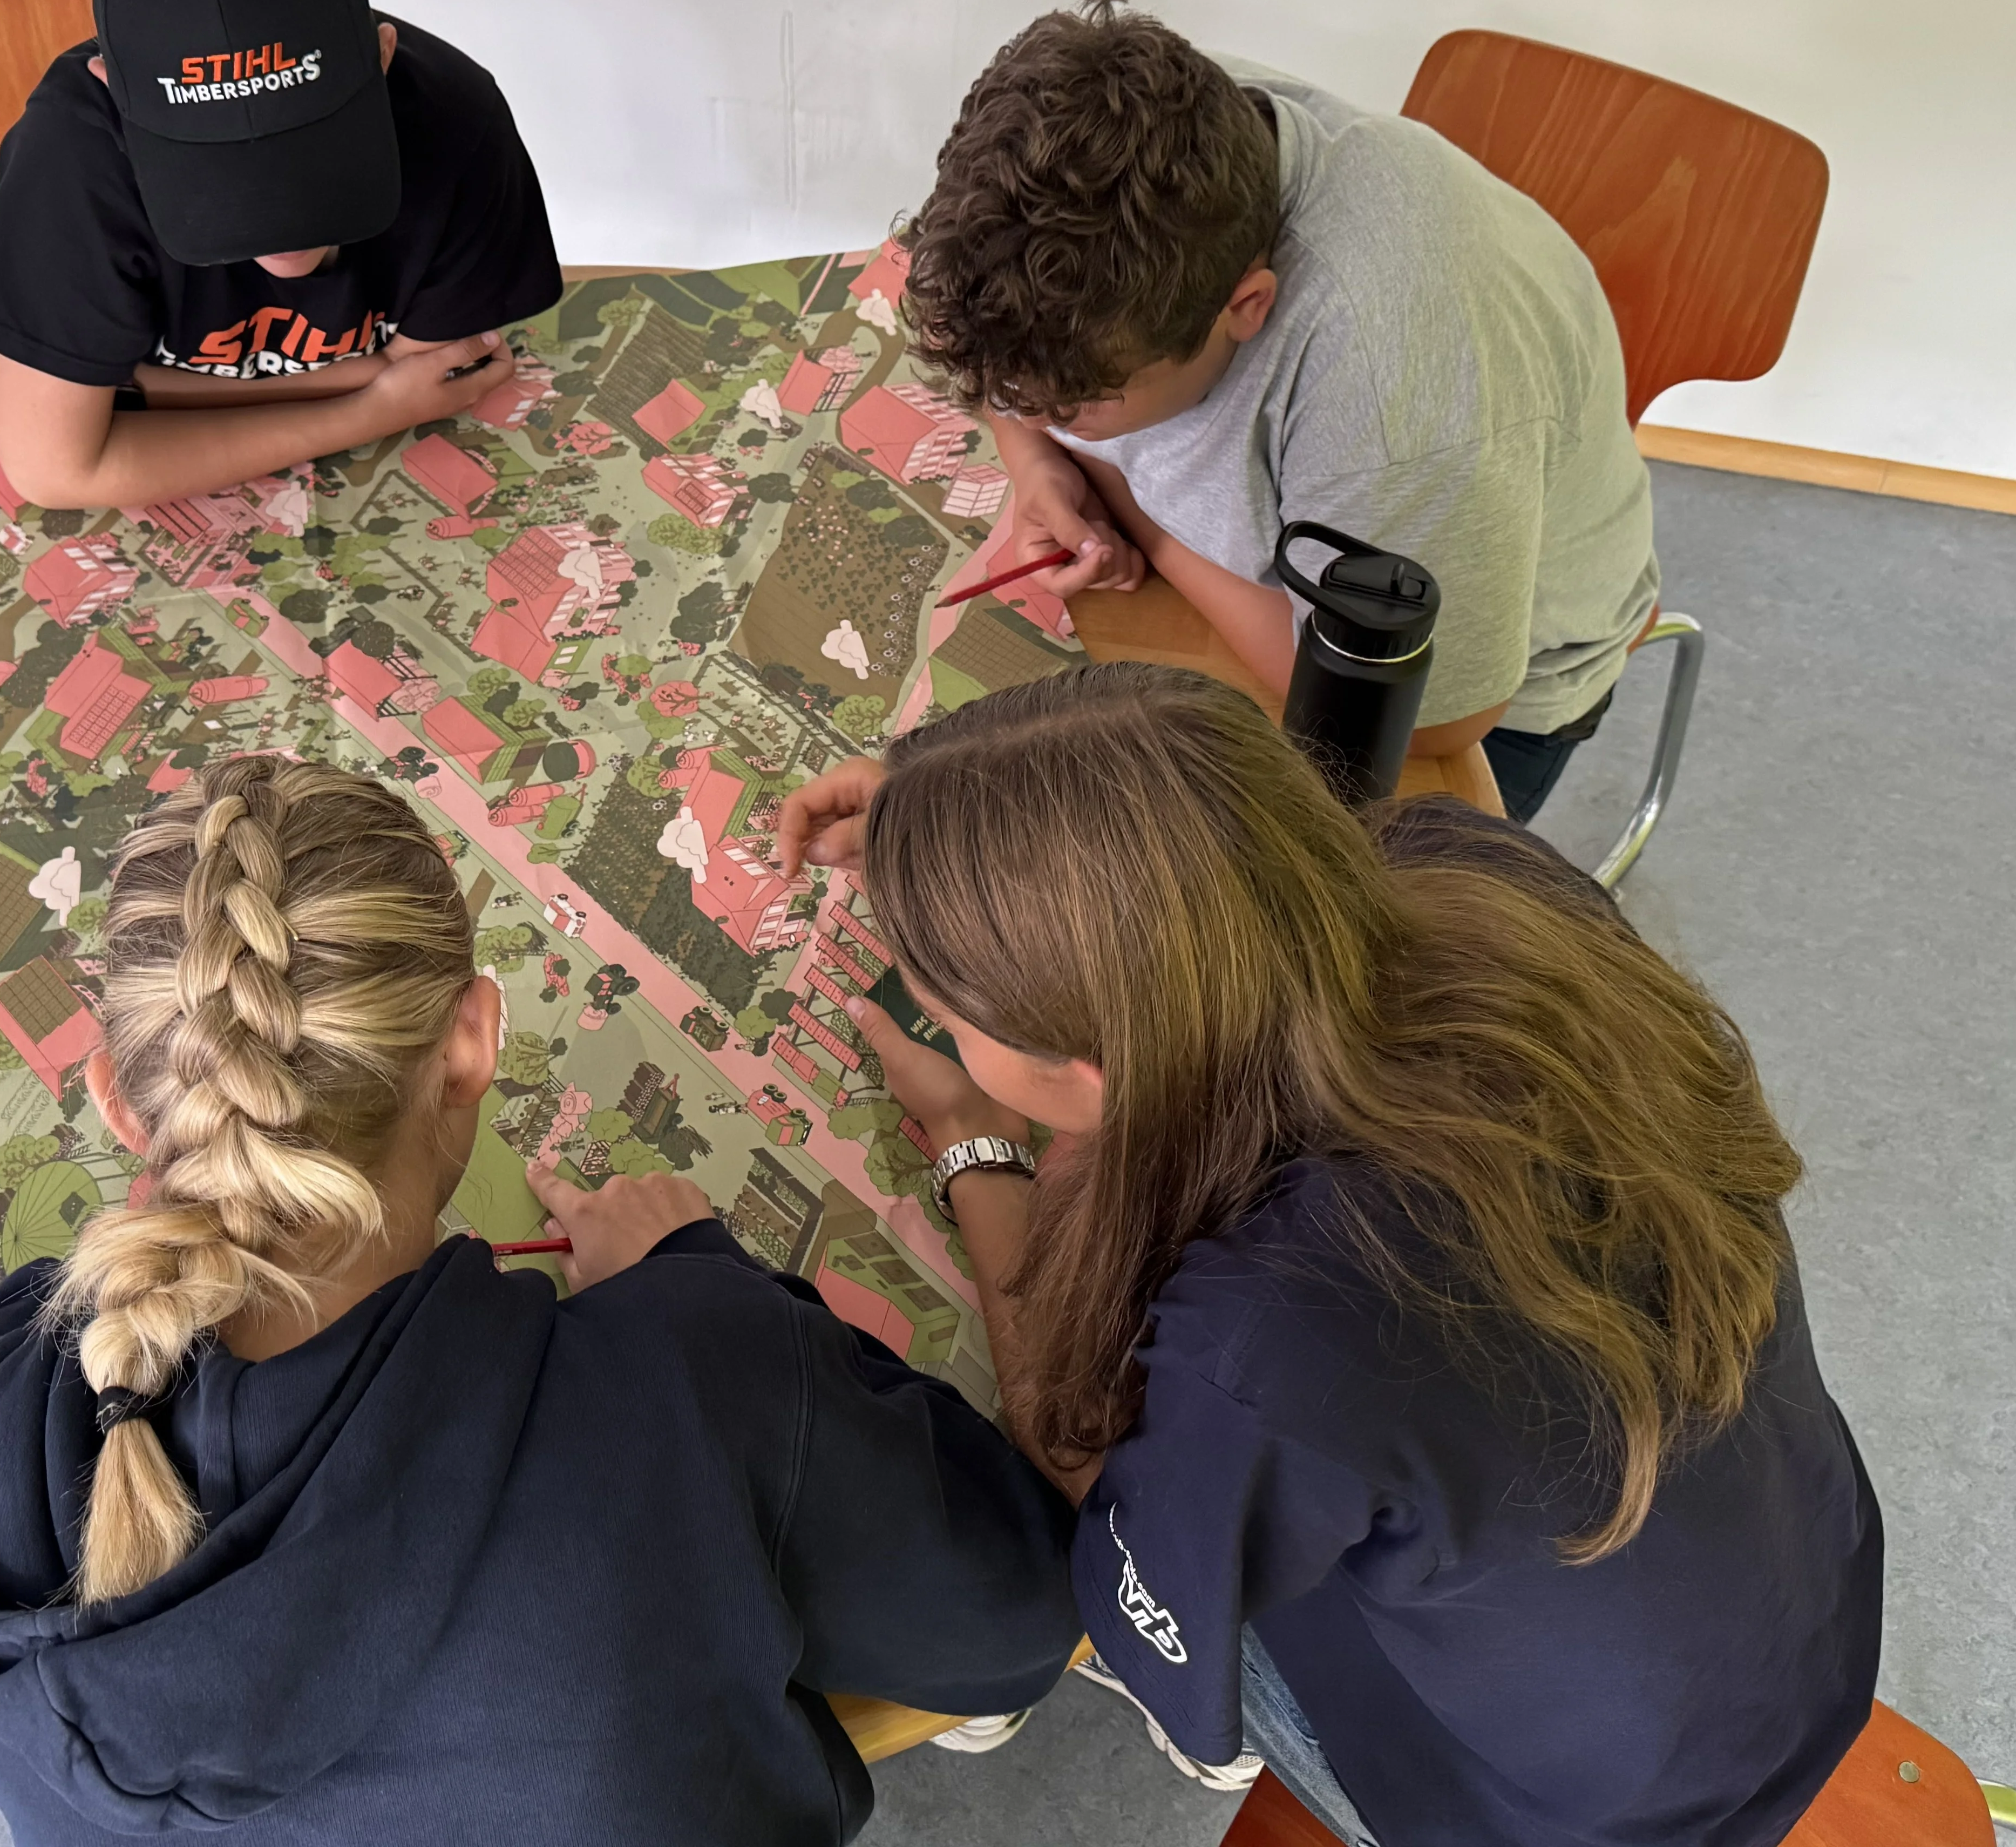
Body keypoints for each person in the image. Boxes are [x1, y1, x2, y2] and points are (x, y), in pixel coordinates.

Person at [0, 759, 1078, 1845]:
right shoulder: (700, 1387)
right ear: (474, 1042)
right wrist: (703, 1284)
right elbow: (1020, 1615)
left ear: (107, 1092)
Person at [773, 664, 1881, 1847]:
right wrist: (962, 829)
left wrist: (971, 1142)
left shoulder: (1276, 1330)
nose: (946, 1025)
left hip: (1583, 1816)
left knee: (1038, 1571)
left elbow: (1079, 1453)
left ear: (1088, 1078)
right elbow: (1207, 884)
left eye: (956, 1012)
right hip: (1805, 1612)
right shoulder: (1473, 862)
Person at [900, 0, 1661, 822]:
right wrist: (1040, 460)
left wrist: (1137, 518)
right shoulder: (1130, 133)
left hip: (1464, 709)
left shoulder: (1393, 402)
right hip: (1273, 570)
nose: (1034, 414)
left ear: (1248, 306)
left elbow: (1433, 719)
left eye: (1074, 407)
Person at [0, 0, 563, 515]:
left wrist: (126, 393)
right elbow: (58, 476)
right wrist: (372, 405)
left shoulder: (459, 121)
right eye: (219, 177)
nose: (283, 245)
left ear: (383, 55)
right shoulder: (72, 153)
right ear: (109, 90)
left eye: (307, 159)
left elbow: (435, 376)